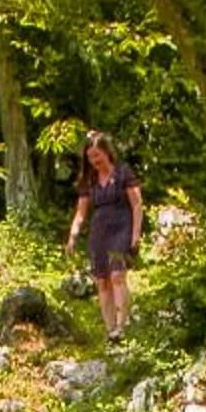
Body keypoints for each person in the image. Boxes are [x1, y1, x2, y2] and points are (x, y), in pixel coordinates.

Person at [63, 132, 143, 343]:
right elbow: (81, 212)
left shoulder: (123, 172)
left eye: (97, 155)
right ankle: (111, 331)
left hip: (121, 228)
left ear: (107, 152)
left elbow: (136, 205)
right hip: (99, 234)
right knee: (102, 281)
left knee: (117, 275)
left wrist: (135, 235)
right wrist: (73, 236)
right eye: (90, 157)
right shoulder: (89, 180)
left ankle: (122, 326)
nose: (94, 161)